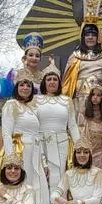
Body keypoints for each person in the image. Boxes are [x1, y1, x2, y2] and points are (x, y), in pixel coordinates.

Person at [1, 70, 48, 204]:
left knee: (37, 189)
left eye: (28, 85)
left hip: (34, 153)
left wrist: (44, 162)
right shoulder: (11, 105)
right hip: (19, 153)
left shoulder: (33, 109)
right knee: (21, 188)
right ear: (17, 87)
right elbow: (7, 133)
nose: (25, 88)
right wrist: (11, 161)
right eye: (22, 84)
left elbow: (38, 135)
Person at [36, 57, 81, 194]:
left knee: (58, 176)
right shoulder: (35, 100)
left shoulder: (67, 101)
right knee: (41, 177)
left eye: (55, 79)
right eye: (49, 79)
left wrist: (80, 144)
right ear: (44, 82)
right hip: (40, 143)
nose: (52, 82)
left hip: (61, 143)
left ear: (59, 82)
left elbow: (72, 126)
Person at [62, 20, 102, 119]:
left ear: (98, 37)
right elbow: (67, 83)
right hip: (80, 101)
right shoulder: (75, 57)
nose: (90, 37)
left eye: (93, 35)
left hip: (100, 103)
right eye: (87, 34)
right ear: (83, 37)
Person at [50, 135, 102, 204]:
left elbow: (97, 200)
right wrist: (59, 199)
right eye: (78, 152)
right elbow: (55, 193)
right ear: (74, 154)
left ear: (90, 155)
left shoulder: (97, 172)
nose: (82, 155)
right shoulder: (69, 173)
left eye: (86, 152)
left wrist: (78, 203)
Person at [77, 84, 102, 168]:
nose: (95, 97)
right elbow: (80, 132)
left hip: (101, 151)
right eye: (93, 95)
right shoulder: (83, 113)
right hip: (87, 151)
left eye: (98, 95)